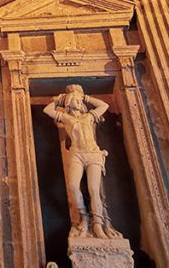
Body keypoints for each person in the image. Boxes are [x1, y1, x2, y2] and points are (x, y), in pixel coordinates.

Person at [44, 85, 122, 239]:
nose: (78, 103)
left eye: (80, 101)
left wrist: (85, 97)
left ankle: (98, 226)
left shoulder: (89, 116)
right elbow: (47, 110)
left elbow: (104, 105)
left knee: (94, 191)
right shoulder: (67, 118)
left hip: (93, 153)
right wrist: (59, 99)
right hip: (77, 154)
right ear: (69, 103)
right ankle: (84, 218)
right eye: (75, 100)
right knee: (73, 186)